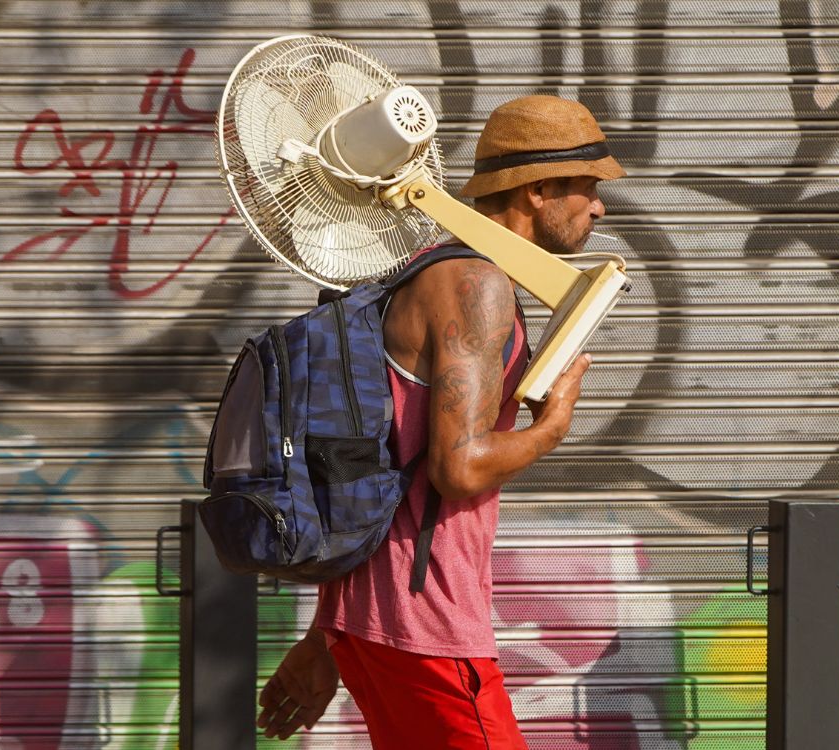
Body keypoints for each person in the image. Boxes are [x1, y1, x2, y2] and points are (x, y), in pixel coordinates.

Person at [255, 95, 626, 748]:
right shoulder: (477, 287)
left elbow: (376, 456)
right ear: (539, 191)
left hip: (369, 624)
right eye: (588, 187)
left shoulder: (421, 273)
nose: (599, 206)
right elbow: (457, 469)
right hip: (428, 629)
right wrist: (551, 427)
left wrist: (325, 636)